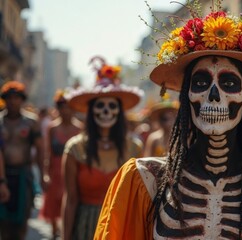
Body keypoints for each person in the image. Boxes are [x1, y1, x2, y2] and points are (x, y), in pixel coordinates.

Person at [95, 5, 242, 239]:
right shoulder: (145, 181)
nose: (213, 95)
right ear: (187, 96)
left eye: (229, 84)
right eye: (200, 83)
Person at [62, 57, 144, 240]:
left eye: (112, 106)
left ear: (119, 111)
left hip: (119, 227)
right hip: (84, 227)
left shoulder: (134, 148)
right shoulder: (75, 148)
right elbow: (71, 199)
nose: (106, 111)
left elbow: (138, 200)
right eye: (100, 106)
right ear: (92, 112)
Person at [0, 81, 44, 240]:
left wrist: (43, 174)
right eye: (9, 97)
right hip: (2, 177)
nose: (13, 101)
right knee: (3, 224)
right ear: (4, 99)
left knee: (22, 221)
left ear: (22, 99)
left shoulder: (31, 122)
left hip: (23, 176)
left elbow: (40, 150)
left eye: (16, 97)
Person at [39, 89, 83, 239]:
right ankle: (54, 233)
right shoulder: (52, 128)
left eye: (69, 106)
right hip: (55, 172)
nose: (66, 110)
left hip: (74, 173)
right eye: (62, 107)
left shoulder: (80, 129)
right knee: (53, 207)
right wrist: (45, 174)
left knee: (72, 204)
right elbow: (48, 152)